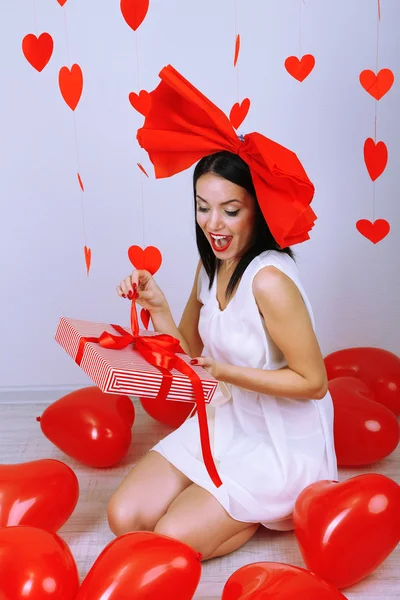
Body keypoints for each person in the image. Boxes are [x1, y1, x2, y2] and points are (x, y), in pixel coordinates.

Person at [107, 65, 337, 561]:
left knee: (168, 538)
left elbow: (314, 382)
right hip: (227, 420)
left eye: (230, 210)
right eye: (202, 207)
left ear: (258, 208)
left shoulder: (270, 281)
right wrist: (160, 308)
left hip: (279, 441)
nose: (214, 224)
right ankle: (224, 505)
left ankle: (252, 512)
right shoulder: (210, 266)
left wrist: (229, 373)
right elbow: (193, 356)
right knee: (123, 518)